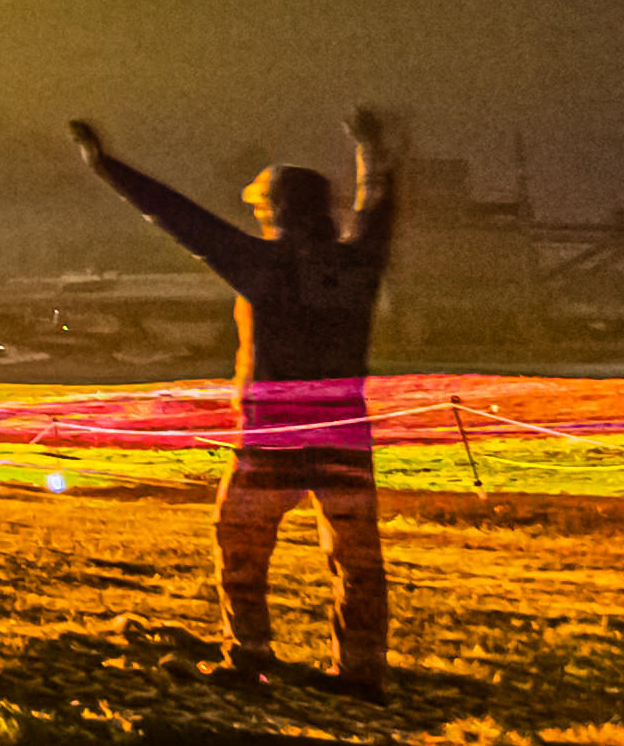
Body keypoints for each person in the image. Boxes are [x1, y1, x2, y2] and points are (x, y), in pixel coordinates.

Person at [69, 106, 404, 694]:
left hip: (272, 436)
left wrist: (106, 166)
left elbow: (179, 217)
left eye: (263, 207)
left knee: (240, 543)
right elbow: (378, 205)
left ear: (278, 210)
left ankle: (249, 655)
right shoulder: (359, 263)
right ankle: (362, 669)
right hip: (343, 435)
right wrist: (370, 150)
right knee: (356, 558)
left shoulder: (262, 264)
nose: (259, 215)